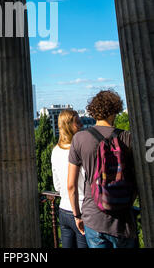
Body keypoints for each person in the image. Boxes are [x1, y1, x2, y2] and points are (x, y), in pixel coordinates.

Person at [68, 90, 137, 249]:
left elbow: (71, 186)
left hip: (94, 217)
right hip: (123, 219)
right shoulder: (127, 137)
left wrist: (77, 216)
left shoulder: (79, 138)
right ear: (115, 110)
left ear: (93, 110)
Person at [51, 110, 88, 248]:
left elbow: (58, 186)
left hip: (63, 209)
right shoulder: (81, 150)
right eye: (77, 122)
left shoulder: (55, 151)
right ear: (68, 125)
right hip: (82, 210)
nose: (82, 124)